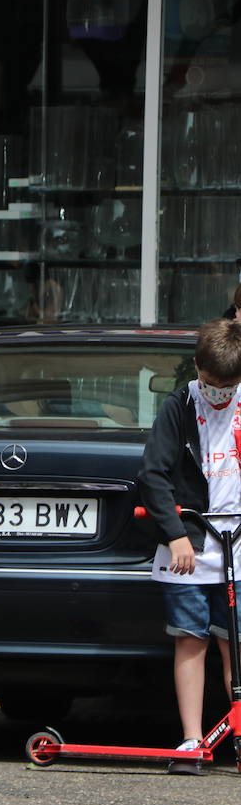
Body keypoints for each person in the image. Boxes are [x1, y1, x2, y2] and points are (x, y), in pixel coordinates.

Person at [138, 317, 241, 775]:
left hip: (237, 541)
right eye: (210, 382)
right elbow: (153, 475)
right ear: (196, 367)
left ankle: (237, 738)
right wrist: (176, 534)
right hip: (192, 544)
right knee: (191, 640)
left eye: (228, 385)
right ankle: (191, 740)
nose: (217, 391)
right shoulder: (179, 406)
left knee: (234, 646)